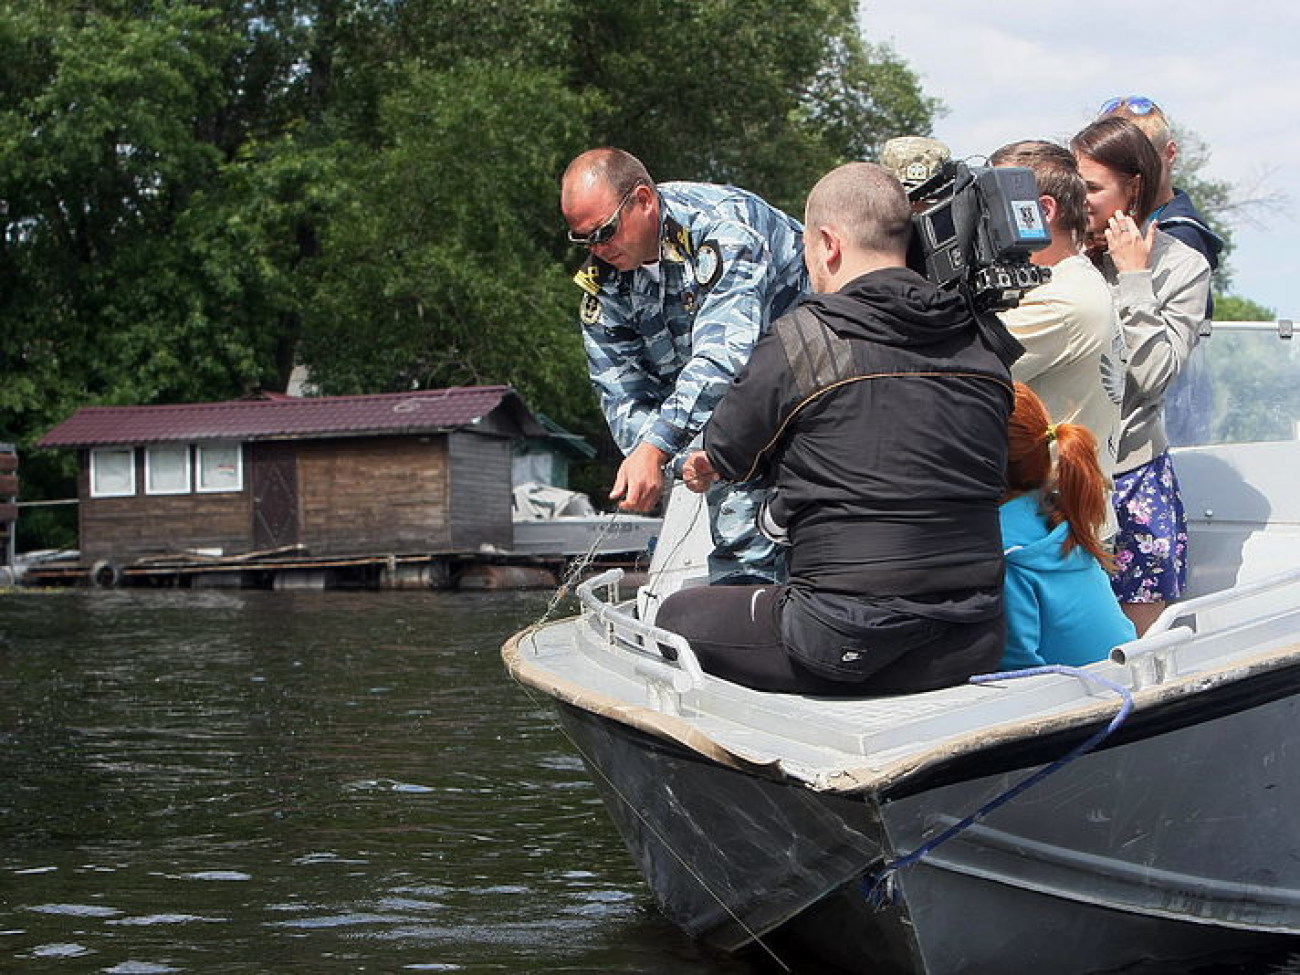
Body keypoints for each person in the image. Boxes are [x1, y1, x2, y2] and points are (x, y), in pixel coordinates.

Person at [654, 161, 1020, 695]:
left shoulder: (800, 340)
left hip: (837, 642)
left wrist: (702, 463)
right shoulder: (986, 348)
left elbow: (727, 453)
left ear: (827, 244)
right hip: (970, 644)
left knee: (675, 616)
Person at [560, 148, 808, 584]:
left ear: (643, 200)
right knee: (743, 566)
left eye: (605, 231)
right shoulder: (603, 289)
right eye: (584, 239)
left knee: (822, 550)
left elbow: (725, 357)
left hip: (813, 401)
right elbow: (623, 397)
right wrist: (681, 460)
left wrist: (657, 448)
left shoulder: (724, 228)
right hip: (728, 435)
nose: (598, 249)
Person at [1071, 117, 1212, 636]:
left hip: (1132, 481)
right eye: (1071, 184)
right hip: (1056, 480)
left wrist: (1133, 278)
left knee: (1138, 651)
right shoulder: (1061, 259)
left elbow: (1152, 376)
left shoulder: (1184, 267)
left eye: (1090, 188)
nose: (1076, 199)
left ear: (1132, 188)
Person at [991, 140, 1126, 473]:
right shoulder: (1075, 280)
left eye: (989, 204)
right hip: (1070, 513)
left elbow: (947, 377)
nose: (982, 220)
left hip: (1043, 517)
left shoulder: (1058, 300)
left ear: (1042, 211)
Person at [1099, 96, 1225, 447]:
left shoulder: (1179, 237)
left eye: (1140, 160)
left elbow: (1157, 369)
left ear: (1169, 154)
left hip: (1163, 407)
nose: (1132, 175)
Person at [998, 383, 1136, 671]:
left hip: (1079, 697)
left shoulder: (1005, 548)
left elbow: (1018, 668)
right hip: (1124, 673)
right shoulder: (1060, 513)